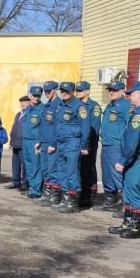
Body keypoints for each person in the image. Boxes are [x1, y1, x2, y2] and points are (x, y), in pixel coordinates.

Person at [109, 82, 140, 238]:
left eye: (131, 94)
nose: (129, 96)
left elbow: (133, 139)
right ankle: (128, 223)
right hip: (137, 157)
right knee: (129, 192)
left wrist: (123, 160)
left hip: (138, 158)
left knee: (134, 190)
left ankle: (138, 228)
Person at [51, 81, 91, 214]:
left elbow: (85, 127)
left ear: (73, 91)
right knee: (62, 171)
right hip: (61, 143)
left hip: (73, 142)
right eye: (62, 90)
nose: (64, 93)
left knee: (72, 173)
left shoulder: (79, 106)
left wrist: (85, 145)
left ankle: (73, 204)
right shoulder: (60, 106)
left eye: (67, 91)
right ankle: (65, 199)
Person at [95, 81, 129, 214]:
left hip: (117, 146)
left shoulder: (125, 105)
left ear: (122, 91)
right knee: (107, 175)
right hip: (106, 145)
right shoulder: (110, 105)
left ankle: (126, 205)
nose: (111, 92)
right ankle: (110, 202)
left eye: (115, 90)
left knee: (118, 175)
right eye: (110, 90)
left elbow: (129, 126)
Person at [75, 81, 101, 208]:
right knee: (79, 169)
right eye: (77, 90)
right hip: (76, 143)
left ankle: (89, 196)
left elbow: (94, 128)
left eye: (80, 90)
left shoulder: (93, 106)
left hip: (88, 144)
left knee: (88, 169)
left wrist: (88, 146)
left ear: (88, 91)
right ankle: (81, 194)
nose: (77, 92)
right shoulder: (75, 105)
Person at [36, 81, 62, 207]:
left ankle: (55, 197)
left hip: (52, 143)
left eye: (49, 91)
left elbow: (57, 127)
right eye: (45, 91)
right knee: (45, 169)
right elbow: (43, 126)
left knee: (53, 170)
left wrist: (53, 143)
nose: (47, 93)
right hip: (44, 142)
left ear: (56, 90)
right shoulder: (47, 105)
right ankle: (46, 195)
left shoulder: (59, 105)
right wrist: (39, 142)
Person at [22, 86, 45, 199]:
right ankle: (32, 187)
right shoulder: (28, 108)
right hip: (26, 140)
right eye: (34, 95)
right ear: (29, 95)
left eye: (38, 96)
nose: (36, 98)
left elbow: (44, 127)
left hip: (35, 142)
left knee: (36, 166)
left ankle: (37, 189)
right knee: (29, 165)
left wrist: (39, 141)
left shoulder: (43, 109)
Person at [5, 96, 30, 190]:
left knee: (25, 165)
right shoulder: (18, 114)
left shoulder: (29, 114)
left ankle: (25, 183)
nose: (22, 104)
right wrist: (11, 141)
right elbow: (14, 127)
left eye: (25, 102)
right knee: (15, 164)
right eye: (21, 102)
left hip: (23, 143)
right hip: (15, 143)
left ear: (30, 102)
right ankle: (15, 182)